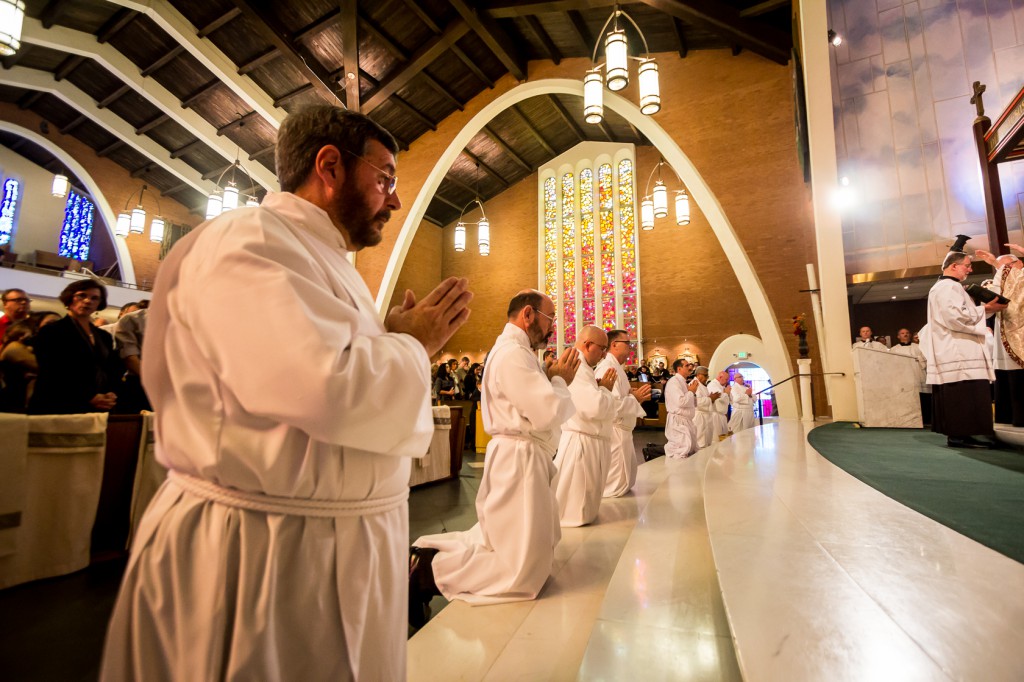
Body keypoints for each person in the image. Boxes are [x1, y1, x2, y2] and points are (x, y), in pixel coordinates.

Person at [100, 106, 472, 681]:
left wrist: (392, 337)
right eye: (385, 178)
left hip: (326, 543)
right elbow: (325, 387)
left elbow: (338, 364)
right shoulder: (249, 240)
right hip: (260, 557)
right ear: (329, 166)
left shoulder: (322, 257)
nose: (394, 200)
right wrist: (413, 346)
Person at [411, 290, 578, 612]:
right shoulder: (513, 353)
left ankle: (426, 562)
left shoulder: (518, 351)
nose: (552, 326)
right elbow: (545, 412)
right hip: (519, 459)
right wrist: (559, 382)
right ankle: (425, 574)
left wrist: (551, 379)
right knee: (519, 570)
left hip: (522, 455)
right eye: (549, 318)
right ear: (528, 315)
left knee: (521, 548)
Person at [920, 236, 1004, 448]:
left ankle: (963, 434)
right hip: (959, 352)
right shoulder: (948, 287)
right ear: (954, 266)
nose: (969, 270)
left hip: (958, 349)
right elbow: (954, 317)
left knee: (964, 394)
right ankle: (959, 435)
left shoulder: (948, 286)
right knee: (964, 393)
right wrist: (985, 309)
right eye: (967, 266)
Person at [553, 326, 617, 527]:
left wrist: (601, 390)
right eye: (602, 348)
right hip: (581, 440)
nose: (605, 354)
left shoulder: (584, 368)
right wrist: (605, 391)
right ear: (588, 344)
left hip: (590, 438)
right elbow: (594, 407)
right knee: (574, 503)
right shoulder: (578, 366)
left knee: (584, 497)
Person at [28, 279, 122, 415]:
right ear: (70, 298)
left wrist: (110, 393)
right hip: (58, 404)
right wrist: (88, 396)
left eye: (94, 298)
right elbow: (52, 371)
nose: (88, 301)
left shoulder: (103, 336)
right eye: (82, 295)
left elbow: (108, 367)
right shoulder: (52, 330)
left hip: (94, 407)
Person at [595, 330, 650, 497]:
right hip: (615, 430)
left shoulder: (616, 368)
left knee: (625, 480)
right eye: (627, 343)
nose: (630, 347)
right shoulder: (607, 368)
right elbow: (611, 404)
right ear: (614, 345)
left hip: (623, 431)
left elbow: (618, 397)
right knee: (613, 486)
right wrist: (635, 399)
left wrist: (631, 394)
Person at [975, 248, 1024, 427]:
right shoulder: (1000, 278)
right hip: (1003, 336)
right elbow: (988, 310)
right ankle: (1006, 416)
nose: (1003, 272)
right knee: (1004, 377)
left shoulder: (1021, 275)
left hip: (1020, 334)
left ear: (1018, 264)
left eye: (1006, 268)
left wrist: (996, 263)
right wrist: (986, 302)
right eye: (1001, 269)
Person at [889, 327, 930, 425]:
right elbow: (891, 363)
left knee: (922, 398)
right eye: (902, 333)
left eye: (907, 332)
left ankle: (926, 420)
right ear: (898, 336)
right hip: (903, 378)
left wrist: (918, 358)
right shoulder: (895, 349)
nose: (905, 334)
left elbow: (926, 359)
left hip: (918, 375)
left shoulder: (918, 347)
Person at [664, 359, 698, 458]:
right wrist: (691, 392)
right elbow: (681, 401)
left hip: (686, 420)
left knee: (689, 449)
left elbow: (690, 402)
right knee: (679, 452)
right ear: (679, 369)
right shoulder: (674, 382)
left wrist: (693, 394)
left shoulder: (682, 382)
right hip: (678, 421)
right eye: (687, 366)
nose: (690, 368)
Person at [691, 366, 716, 448]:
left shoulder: (703, 386)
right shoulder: (694, 384)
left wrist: (711, 398)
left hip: (706, 416)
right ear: (698, 375)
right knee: (700, 442)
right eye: (705, 376)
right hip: (699, 417)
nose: (707, 378)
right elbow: (696, 402)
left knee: (707, 442)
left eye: (707, 376)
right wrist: (710, 398)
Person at [706, 369, 730, 439]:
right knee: (716, 438)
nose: (727, 381)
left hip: (721, 415)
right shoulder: (713, 385)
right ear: (720, 377)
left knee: (723, 437)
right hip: (716, 415)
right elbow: (719, 397)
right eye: (726, 379)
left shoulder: (720, 385)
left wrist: (726, 392)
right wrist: (726, 393)